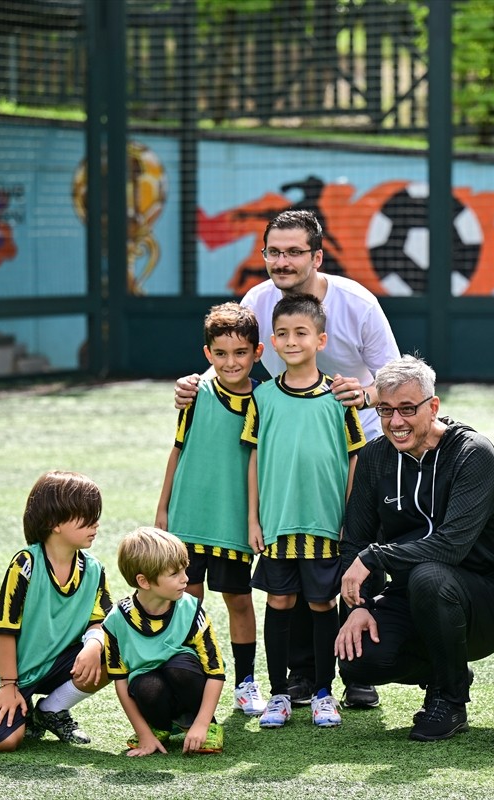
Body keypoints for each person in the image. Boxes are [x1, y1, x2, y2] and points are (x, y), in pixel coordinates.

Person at [176, 208, 398, 710]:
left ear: (317, 256)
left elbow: (393, 376)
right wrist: (194, 384)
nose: (283, 260)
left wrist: (357, 395)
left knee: (355, 557)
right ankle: (300, 677)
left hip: (355, 446)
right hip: (286, 453)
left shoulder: (356, 303)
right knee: (296, 572)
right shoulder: (256, 299)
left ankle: (358, 672)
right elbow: (233, 355)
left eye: (295, 251)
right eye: (274, 251)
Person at [334, 355, 494, 742]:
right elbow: (355, 539)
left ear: (433, 406)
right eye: (385, 410)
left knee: (429, 575)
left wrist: (375, 557)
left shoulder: (472, 452)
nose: (396, 421)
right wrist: (360, 606)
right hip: (409, 596)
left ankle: (450, 700)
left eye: (407, 409)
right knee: (359, 661)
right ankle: (447, 668)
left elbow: (450, 545)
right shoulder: (373, 458)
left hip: (486, 601)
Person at [242, 293, 365, 729]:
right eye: (283, 334)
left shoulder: (339, 398)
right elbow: (254, 458)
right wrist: (254, 518)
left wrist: (350, 519)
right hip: (277, 525)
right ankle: (277, 693)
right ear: (272, 341)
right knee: (279, 601)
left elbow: (354, 459)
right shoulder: (264, 399)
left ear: (320, 339)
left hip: (324, 526)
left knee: (320, 604)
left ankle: (322, 692)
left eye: (301, 333)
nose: (291, 341)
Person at [155, 302, 267, 718]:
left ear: (256, 353)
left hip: (232, 522)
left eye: (240, 353)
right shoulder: (196, 394)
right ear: (207, 354)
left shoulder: (265, 400)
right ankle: (195, 679)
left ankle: (246, 683)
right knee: (189, 602)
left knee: (239, 601)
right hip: (187, 519)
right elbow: (177, 450)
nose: (230, 361)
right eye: (220, 354)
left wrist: (256, 518)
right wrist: (162, 510)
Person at [0, 470, 113, 752]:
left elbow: (99, 621)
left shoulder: (94, 569)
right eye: (85, 515)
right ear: (54, 523)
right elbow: (4, 630)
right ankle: (19, 709)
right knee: (5, 742)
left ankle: (51, 710)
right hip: (8, 671)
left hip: (55, 662)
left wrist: (94, 644)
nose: (95, 523)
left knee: (115, 650)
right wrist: (8, 685)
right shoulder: (25, 564)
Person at [103, 527, 227, 756]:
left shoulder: (191, 609)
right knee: (145, 684)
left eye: (184, 570)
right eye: (174, 574)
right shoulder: (116, 621)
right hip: (154, 695)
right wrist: (143, 734)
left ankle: (204, 726)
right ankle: (160, 727)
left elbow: (216, 672)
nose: (185, 579)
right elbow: (120, 681)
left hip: (188, 684)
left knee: (178, 668)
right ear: (144, 581)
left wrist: (202, 722)